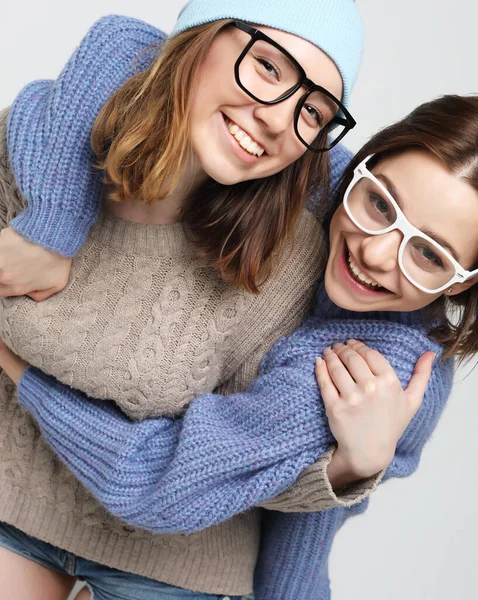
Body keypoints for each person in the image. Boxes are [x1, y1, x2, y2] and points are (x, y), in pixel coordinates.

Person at [3, 92, 477, 599]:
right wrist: (50, 229)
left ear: (461, 284)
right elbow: (107, 67)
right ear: (363, 166)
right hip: (34, 504)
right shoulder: (322, 176)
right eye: (382, 203)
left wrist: (13, 360)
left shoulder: (381, 370)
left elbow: (160, 480)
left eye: (428, 254)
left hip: (183, 557)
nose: (376, 251)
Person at [0, 2, 374, 599]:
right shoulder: (43, 147)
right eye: (270, 69)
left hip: (177, 563)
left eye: (312, 112)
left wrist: (348, 466)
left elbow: (237, 463)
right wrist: (51, 224)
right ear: (198, 39)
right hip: (13, 500)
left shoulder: (296, 257)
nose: (279, 121)